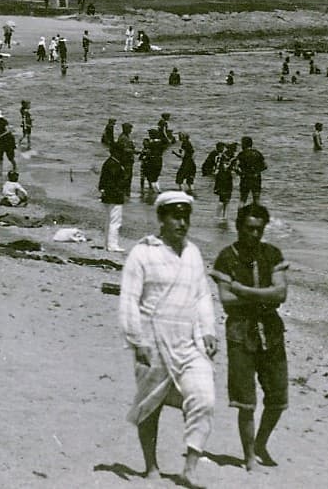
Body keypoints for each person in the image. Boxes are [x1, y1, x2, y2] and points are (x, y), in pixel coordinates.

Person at [118, 192, 217, 486]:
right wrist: (137, 341)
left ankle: (190, 467)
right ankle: (150, 466)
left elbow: (201, 296)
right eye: (175, 216)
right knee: (151, 404)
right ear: (161, 218)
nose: (182, 223)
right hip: (153, 341)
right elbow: (129, 299)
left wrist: (208, 330)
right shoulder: (143, 253)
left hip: (188, 343)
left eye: (186, 217)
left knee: (204, 398)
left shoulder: (193, 253)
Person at [210, 204, 290, 472]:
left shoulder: (272, 254)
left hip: (271, 332)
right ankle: (248, 457)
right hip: (240, 333)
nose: (254, 234)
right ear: (238, 227)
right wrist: (261, 295)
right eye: (249, 229)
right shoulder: (226, 257)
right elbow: (226, 300)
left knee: (278, 398)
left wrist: (243, 289)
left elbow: (281, 294)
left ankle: (260, 443)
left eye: (259, 229)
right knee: (246, 401)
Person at [99, 146, 129, 252]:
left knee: (109, 220)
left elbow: (103, 181)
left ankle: (107, 244)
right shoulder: (115, 165)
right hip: (114, 197)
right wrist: (120, 190)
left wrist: (103, 191)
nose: (123, 155)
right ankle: (112, 245)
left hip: (108, 196)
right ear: (116, 153)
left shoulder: (109, 162)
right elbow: (115, 183)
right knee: (115, 221)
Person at [235, 136, 267, 205]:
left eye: (242, 144)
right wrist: (257, 172)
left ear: (244, 144)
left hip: (245, 178)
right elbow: (265, 166)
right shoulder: (257, 153)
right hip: (256, 178)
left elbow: (235, 167)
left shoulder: (241, 154)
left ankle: (240, 215)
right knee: (256, 200)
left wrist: (240, 174)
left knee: (243, 199)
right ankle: (256, 215)